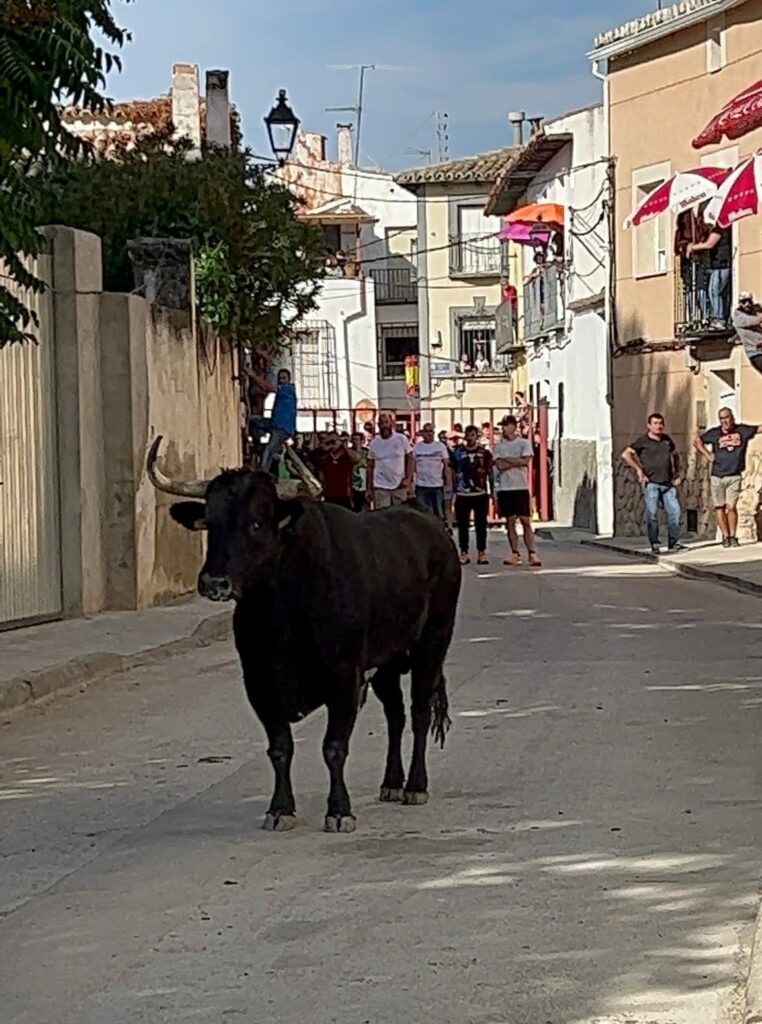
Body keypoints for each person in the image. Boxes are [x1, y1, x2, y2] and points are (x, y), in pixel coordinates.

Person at [694, 408, 762, 548]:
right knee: (720, 507)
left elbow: (758, 428)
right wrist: (707, 455)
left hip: (734, 475)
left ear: (732, 418)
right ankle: (725, 536)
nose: (725, 421)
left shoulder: (742, 430)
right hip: (717, 476)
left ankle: (732, 536)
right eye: (722, 419)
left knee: (731, 507)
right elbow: (697, 441)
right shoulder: (714, 433)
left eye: (727, 418)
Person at [621, 413, 684, 555]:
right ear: (649, 425)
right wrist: (639, 470)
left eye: (661, 423)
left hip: (668, 484)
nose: (658, 426)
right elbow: (626, 454)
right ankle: (655, 543)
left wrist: (677, 472)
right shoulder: (642, 441)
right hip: (651, 484)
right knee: (652, 514)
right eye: (655, 423)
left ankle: (673, 543)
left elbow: (675, 455)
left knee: (675, 512)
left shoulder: (667, 440)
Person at [493, 414, 541, 567]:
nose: (504, 429)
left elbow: (525, 461)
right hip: (505, 487)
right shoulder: (498, 446)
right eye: (503, 426)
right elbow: (499, 465)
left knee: (526, 521)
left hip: (520, 487)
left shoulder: (523, 443)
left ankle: (532, 553)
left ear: (514, 426)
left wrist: (508, 460)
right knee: (510, 521)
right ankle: (515, 553)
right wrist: (516, 462)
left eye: (506, 425)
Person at [451, 425, 493, 566]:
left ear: (477, 436)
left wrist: (492, 492)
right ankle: (464, 552)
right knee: (463, 525)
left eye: (473, 435)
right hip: (463, 494)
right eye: (468, 435)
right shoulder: (458, 452)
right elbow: (452, 471)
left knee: (481, 524)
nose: (470, 438)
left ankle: (482, 552)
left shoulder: (484, 453)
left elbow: (490, 473)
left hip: (480, 494)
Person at [245, 365, 297, 474]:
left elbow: (267, 388)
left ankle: (262, 473)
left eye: (284, 378)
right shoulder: (282, 391)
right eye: (280, 378)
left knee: (269, 450)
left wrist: (253, 375)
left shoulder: (287, 389)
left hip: (282, 428)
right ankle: (257, 445)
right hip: (274, 424)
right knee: (254, 421)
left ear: (289, 379)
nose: (281, 381)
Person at [367, 411, 414, 509]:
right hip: (380, 487)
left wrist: (408, 479)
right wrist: (369, 488)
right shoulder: (374, 443)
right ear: (378, 425)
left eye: (386, 422)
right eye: (382, 423)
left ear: (391, 423)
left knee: (401, 516)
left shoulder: (401, 439)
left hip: (399, 485)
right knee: (382, 518)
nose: (384, 425)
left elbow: (410, 459)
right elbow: (370, 466)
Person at [687, 224, 731, 328]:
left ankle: (719, 319)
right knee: (713, 292)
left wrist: (692, 247)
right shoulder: (718, 229)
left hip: (721, 265)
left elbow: (709, 244)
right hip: (717, 266)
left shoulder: (720, 229)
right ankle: (717, 318)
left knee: (715, 292)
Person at [413, 423, 450, 522]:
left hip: (437, 485)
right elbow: (413, 466)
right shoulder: (417, 448)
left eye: (431, 431)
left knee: (439, 513)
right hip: (421, 485)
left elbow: (446, 465)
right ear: (423, 433)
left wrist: (448, 480)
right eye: (426, 431)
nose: (429, 434)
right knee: (421, 513)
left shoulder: (440, 446)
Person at [314, 431, 358, 508]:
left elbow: (357, 458)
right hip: (329, 496)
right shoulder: (324, 460)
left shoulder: (346, 457)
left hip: (345, 496)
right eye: (330, 442)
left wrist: (343, 445)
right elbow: (321, 478)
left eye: (334, 441)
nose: (332, 444)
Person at [732, 291, 762, 373]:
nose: (747, 304)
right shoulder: (738, 316)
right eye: (744, 302)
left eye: (749, 301)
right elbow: (756, 320)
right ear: (740, 303)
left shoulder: (753, 310)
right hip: (755, 353)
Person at [350, 432, 369, 512]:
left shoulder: (367, 452)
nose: (355, 442)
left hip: (364, 483)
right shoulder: (349, 452)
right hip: (354, 483)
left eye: (357, 439)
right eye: (353, 439)